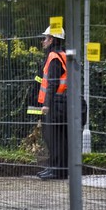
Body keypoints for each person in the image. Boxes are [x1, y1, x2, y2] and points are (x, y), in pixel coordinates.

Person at [37, 26, 68, 180]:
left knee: (53, 138)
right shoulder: (63, 55)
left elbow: (52, 83)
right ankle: (55, 167)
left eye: (46, 38)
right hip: (62, 101)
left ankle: (56, 169)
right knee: (58, 138)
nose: (43, 41)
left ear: (52, 39)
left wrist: (46, 104)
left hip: (55, 103)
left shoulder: (54, 57)